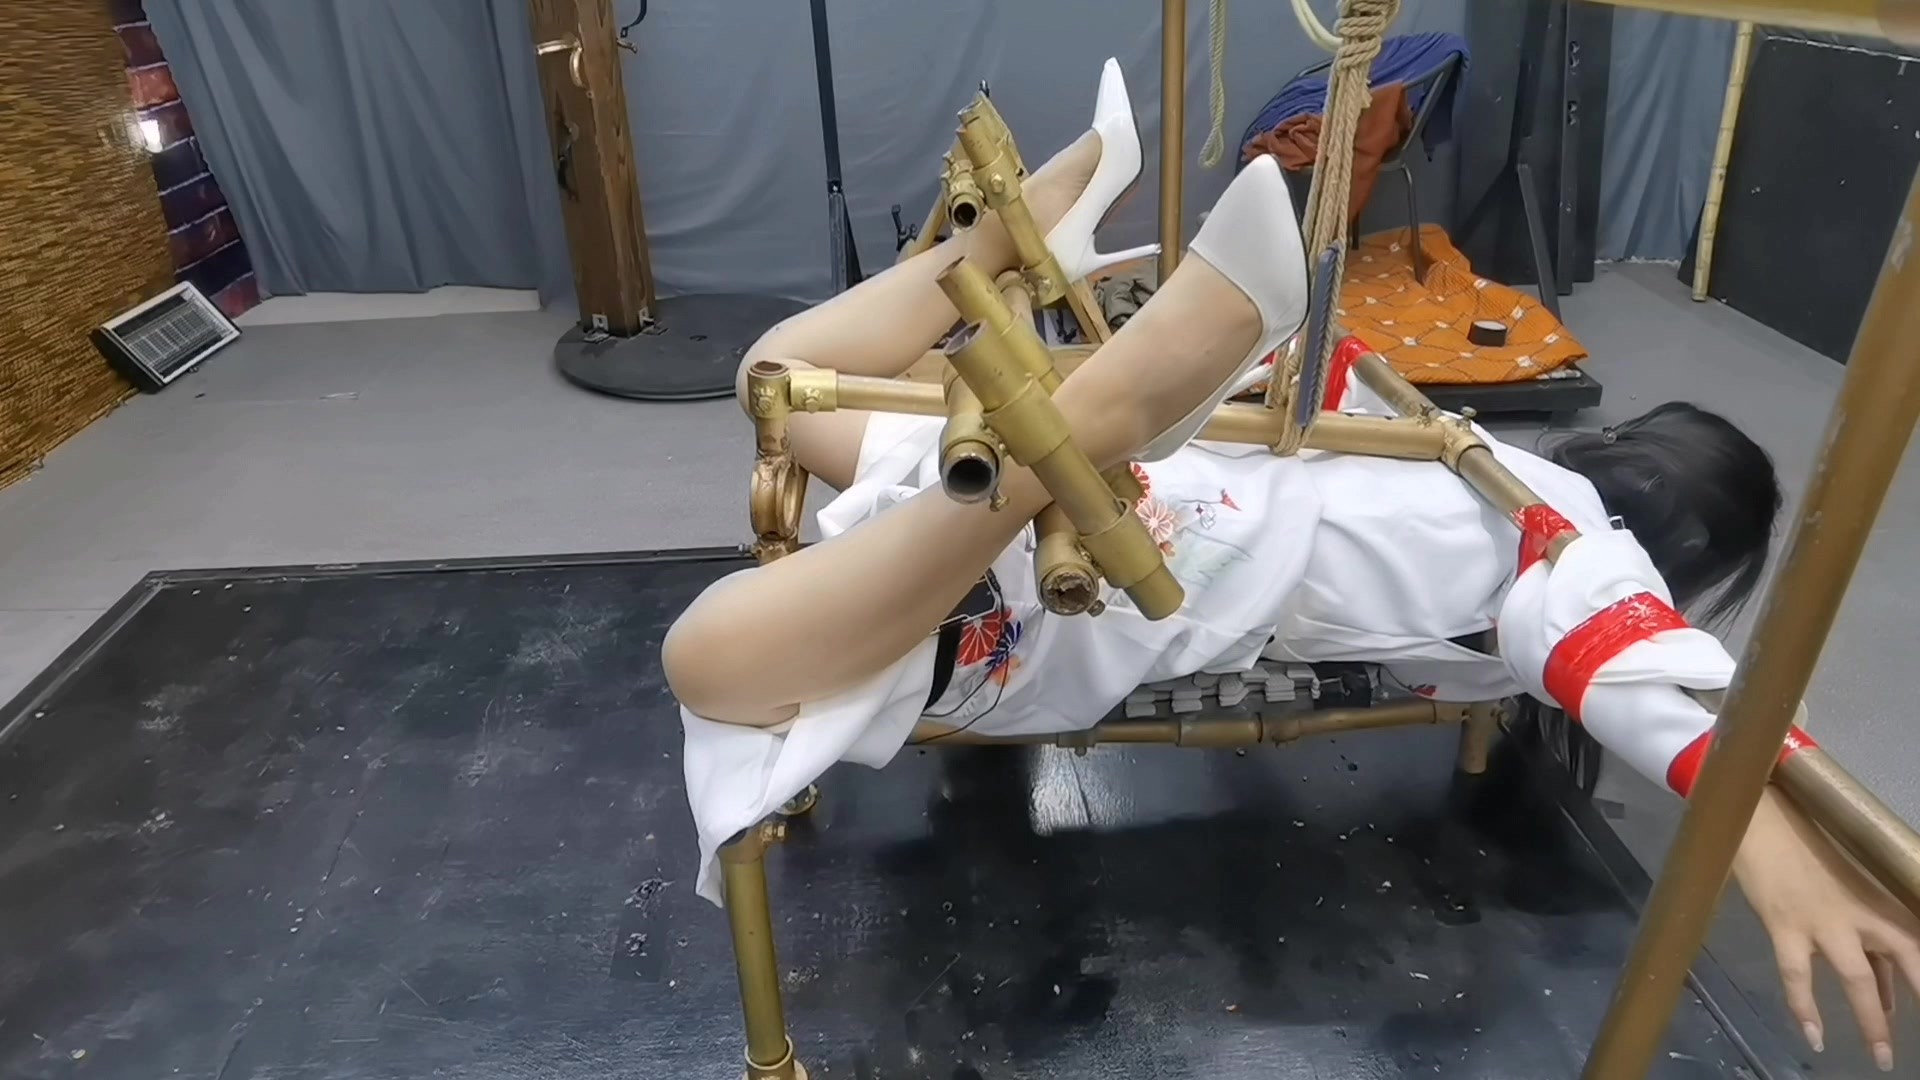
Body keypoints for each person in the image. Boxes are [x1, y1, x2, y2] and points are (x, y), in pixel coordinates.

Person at [663, 60, 1920, 1071]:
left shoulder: (1476, 446)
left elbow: (1642, 664)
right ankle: (1068, 436)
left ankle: (997, 265)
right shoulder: (1573, 546)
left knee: (774, 380)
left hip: (1155, 507)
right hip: (1129, 567)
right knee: (710, 659)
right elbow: (1636, 667)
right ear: (1690, 556)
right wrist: (1761, 836)